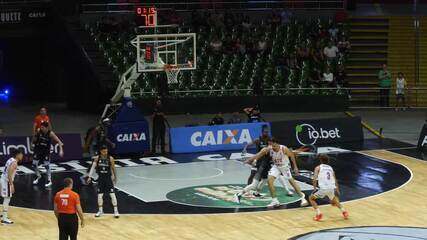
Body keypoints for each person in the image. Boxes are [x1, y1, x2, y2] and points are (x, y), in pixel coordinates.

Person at [240, 138, 309, 208]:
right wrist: (252, 160)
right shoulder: (269, 149)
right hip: (276, 167)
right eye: (270, 144)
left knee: (291, 182)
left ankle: (303, 199)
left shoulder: (284, 149)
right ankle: (275, 200)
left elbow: (292, 156)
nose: (271, 146)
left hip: (285, 167)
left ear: (276, 143)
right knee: (270, 181)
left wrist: (295, 167)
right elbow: (259, 154)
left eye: (272, 144)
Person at [309, 154, 349, 221]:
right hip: (331, 187)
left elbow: (314, 179)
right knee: (334, 200)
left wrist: (314, 188)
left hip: (324, 188)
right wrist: (337, 189)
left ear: (320, 160)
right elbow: (335, 179)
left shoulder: (318, 167)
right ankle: (344, 212)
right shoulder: (330, 168)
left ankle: (319, 214)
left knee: (311, 198)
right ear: (328, 161)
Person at [87, 145, 120, 218]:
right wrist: (89, 176)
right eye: (104, 151)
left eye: (106, 151)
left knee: (112, 194)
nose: (105, 152)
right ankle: (100, 210)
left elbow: (114, 168)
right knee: (99, 195)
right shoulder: (97, 158)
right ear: (101, 151)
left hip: (108, 179)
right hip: (101, 179)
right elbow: (92, 167)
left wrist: (115, 177)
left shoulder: (110, 158)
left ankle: (116, 211)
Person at [32, 121, 64, 187]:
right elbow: (34, 138)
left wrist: (61, 150)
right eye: (41, 127)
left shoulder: (50, 133)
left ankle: (49, 180)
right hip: (38, 150)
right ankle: (38, 176)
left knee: (46, 166)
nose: (41, 128)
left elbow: (59, 141)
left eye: (43, 127)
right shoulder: (39, 131)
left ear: (47, 128)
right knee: (34, 165)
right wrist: (32, 142)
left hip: (46, 151)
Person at [1, 149, 23, 224]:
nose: (22, 156)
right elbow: (9, 173)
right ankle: (4, 218)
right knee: (7, 199)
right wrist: (11, 184)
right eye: (21, 154)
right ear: (17, 155)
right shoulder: (14, 163)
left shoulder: (10, 159)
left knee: (6, 198)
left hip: (3, 179)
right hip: (6, 181)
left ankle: (4, 215)